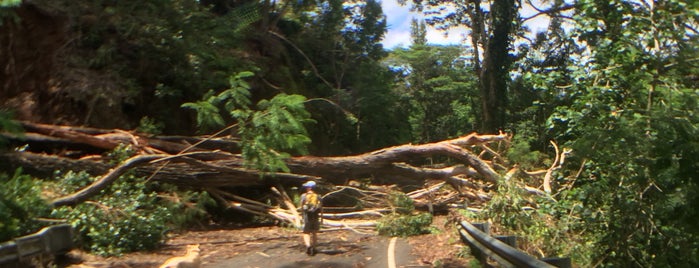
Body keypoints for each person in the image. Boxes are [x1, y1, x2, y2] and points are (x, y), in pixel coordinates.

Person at [299, 180, 322, 256]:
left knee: (306, 232)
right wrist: (321, 218)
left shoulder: (304, 196)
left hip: (307, 217)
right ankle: (314, 248)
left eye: (307, 187)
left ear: (309, 188)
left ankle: (308, 246)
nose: (306, 188)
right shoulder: (318, 196)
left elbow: (301, 206)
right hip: (315, 216)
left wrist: (302, 215)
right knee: (314, 232)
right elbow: (321, 208)